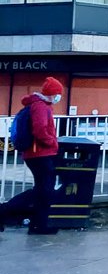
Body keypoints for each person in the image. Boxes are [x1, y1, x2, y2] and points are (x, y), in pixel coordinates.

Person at [20, 77, 63, 235]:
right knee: (44, 190)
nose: (60, 97)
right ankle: (5, 211)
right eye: (58, 93)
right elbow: (40, 130)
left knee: (42, 190)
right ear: (53, 94)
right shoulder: (41, 107)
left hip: (36, 154)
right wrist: (52, 142)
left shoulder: (38, 105)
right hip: (41, 154)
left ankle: (38, 224)